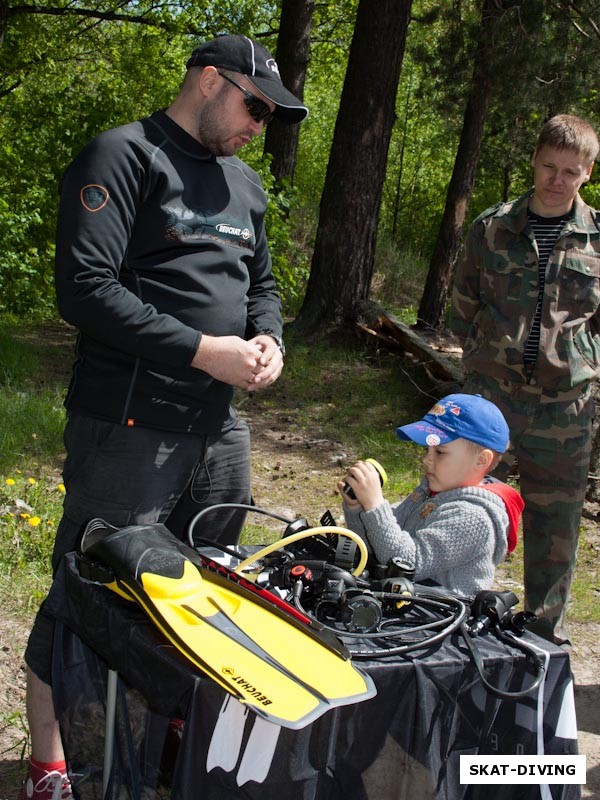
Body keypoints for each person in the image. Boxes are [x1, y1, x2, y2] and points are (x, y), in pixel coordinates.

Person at [21, 34, 308, 800]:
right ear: (210, 80)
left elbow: (264, 283)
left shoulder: (245, 186)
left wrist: (267, 339)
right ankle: (51, 763)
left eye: (272, 116)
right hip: (128, 423)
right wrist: (201, 350)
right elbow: (84, 287)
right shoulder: (122, 155)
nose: (261, 125)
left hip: (219, 429)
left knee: (206, 592)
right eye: (255, 106)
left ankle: (161, 747)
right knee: (88, 590)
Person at [450, 113, 600, 647]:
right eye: (548, 166)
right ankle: (448, 613)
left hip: (566, 410)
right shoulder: (493, 228)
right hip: (492, 402)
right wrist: (482, 367)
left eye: (570, 170)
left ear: (587, 172)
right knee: (459, 506)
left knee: (555, 530)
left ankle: (541, 636)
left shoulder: (598, 240)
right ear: (534, 161)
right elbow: (462, 304)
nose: (557, 179)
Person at [339, 393, 524, 597]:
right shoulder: (429, 491)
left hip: (437, 619)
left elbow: (406, 563)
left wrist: (375, 505)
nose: (427, 459)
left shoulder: (474, 518)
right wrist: (358, 509)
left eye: (440, 452)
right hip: (404, 603)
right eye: (427, 449)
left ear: (481, 460)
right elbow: (377, 546)